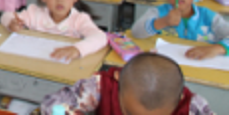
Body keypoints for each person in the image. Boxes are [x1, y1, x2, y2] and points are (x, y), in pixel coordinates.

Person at [40, 52, 213, 114]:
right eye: (130, 113)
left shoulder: (192, 106)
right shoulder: (101, 86)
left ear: (179, 98)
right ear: (119, 80)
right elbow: (51, 105)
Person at [1, 0, 106, 62]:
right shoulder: (34, 13)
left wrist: (77, 49)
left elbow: (100, 37)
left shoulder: (79, 20)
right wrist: (11, 22)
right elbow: (6, 15)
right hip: (38, 63)